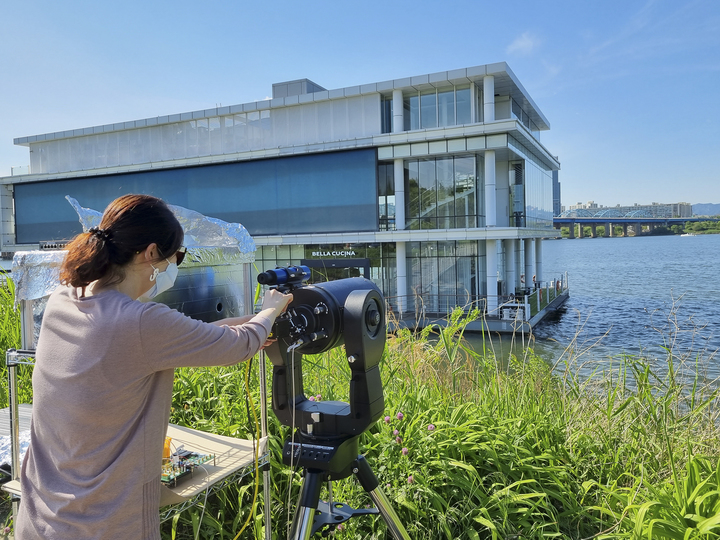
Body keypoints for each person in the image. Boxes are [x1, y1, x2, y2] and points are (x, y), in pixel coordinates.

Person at [15, 194, 292, 540]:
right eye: (175, 257)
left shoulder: (65, 300)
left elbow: (187, 337)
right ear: (150, 253)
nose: (172, 267)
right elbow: (238, 345)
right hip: (101, 523)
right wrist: (270, 309)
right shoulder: (141, 323)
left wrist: (253, 320)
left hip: (41, 517)